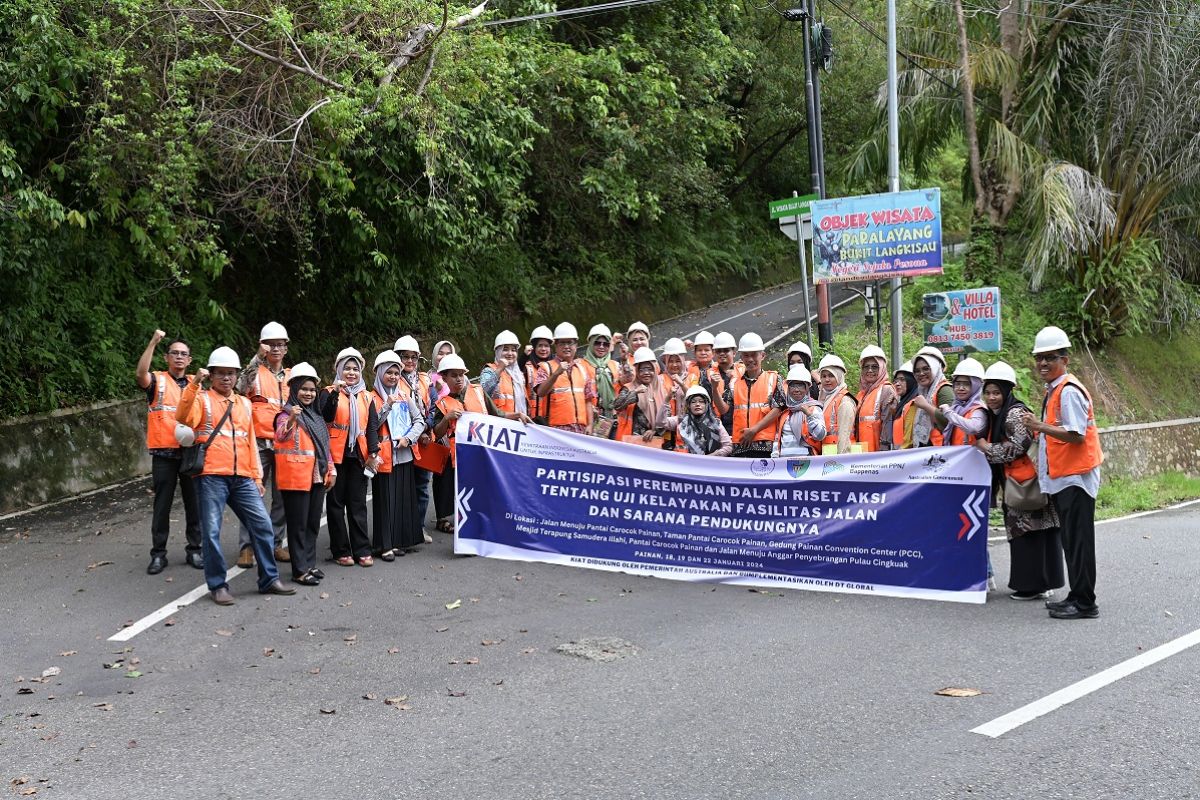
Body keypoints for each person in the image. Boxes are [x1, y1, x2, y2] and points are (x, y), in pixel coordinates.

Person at [175, 347, 296, 605]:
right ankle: (218, 585)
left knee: (262, 525)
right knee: (211, 531)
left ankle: (269, 579)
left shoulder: (243, 403)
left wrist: (256, 475)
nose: (227, 378)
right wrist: (194, 383)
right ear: (212, 376)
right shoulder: (202, 399)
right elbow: (183, 416)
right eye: (221, 374)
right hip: (211, 475)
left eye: (231, 374)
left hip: (242, 477)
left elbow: (250, 440)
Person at [1024, 326, 1103, 620]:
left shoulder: (1068, 391)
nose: (1043, 364)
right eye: (1039, 358)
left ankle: (1085, 603)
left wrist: (1038, 426)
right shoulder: (1056, 390)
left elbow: (1075, 434)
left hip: (1076, 479)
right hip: (1065, 477)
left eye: (1050, 358)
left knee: (1079, 542)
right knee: (1071, 541)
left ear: (1065, 360)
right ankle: (1076, 594)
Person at [973, 361, 1064, 601]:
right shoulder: (1000, 413)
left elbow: (1018, 446)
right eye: (988, 392)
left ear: (1007, 391)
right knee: (1035, 533)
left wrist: (987, 448)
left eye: (996, 392)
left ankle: (1030, 587)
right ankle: (1043, 583)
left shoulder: (1014, 413)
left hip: (1023, 483)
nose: (991, 397)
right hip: (1023, 481)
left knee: (1026, 534)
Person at [135, 329, 202, 574]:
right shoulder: (157, 380)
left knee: (194, 504)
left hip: (191, 452)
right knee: (162, 505)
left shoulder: (198, 382)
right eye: (174, 353)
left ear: (190, 360)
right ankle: (158, 554)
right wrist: (153, 341)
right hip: (164, 453)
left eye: (184, 354)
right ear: (167, 357)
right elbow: (141, 373)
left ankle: (195, 549)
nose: (179, 357)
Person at [234, 321, 291, 570]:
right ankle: (247, 546)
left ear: (286, 348)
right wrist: (257, 357)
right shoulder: (255, 371)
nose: (275, 349)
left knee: (282, 497)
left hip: (284, 443)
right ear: (262, 346)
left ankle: (276, 543)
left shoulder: (291, 376)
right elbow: (239, 388)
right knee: (251, 495)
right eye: (270, 344)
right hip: (257, 443)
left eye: (280, 344)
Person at [273, 362, 335, 586]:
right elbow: (279, 435)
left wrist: (331, 469)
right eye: (304, 389)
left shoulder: (316, 415)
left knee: (312, 524)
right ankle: (299, 570)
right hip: (295, 479)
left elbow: (324, 446)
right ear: (294, 389)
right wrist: (291, 420)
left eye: (312, 390)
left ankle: (309, 564)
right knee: (297, 526)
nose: (308, 393)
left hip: (316, 477)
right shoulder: (285, 414)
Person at [322, 347, 380, 567]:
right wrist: (336, 393)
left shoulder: (366, 396)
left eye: (355, 368)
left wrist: (373, 451)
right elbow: (325, 416)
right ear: (338, 370)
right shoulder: (328, 392)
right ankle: (340, 550)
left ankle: (362, 549)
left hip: (358, 456)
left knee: (357, 505)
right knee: (336, 505)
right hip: (335, 457)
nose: (351, 372)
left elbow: (372, 426)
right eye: (346, 368)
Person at [370, 350, 426, 560]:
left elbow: (419, 421)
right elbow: (372, 425)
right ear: (379, 373)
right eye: (389, 372)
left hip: (403, 454)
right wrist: (387, 405)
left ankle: (398, 540)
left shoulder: (405, 395)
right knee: (384, 501)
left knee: (401, 499)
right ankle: (384, 545)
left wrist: (409, 439)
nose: (393, 377)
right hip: (384, 457)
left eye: (396, 373)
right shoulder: (372, 397)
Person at [430, 353, 529, 465]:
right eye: (454, 376)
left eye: (461, 375)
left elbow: (497, 414)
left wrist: (518, 415)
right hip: (460, 460)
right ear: (444, 378)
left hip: (483, 452)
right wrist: (446, 418)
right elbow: (437, 433)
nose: (459, 379)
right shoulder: (442, 403)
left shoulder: (478, 391)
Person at [394, 335, 434, 542]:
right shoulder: (392, 378)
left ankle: (418, 528)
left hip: (424, 438)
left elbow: (434, 406)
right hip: (403, 440)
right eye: (404, 357)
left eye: (413, 357)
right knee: (402, 485)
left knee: (421, 485)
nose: (409, 361)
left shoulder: (426, 380)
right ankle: (402, 529)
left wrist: (427, 427)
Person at [722, 333, 785, 458]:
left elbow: (779, 408)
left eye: (754, 355)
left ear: (762, 356)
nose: (750, 359)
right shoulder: (734, 382)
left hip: (766, 446)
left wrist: (754, 430)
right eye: (746, 355)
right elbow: (724, 409)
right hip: (740, 445)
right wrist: (714, 388)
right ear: (741, 358)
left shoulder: (774, 378)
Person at [533, 323, 596, 434]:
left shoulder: (582, 369)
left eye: (570, 342)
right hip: (555, 430)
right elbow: (540, 392)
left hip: (580, 429)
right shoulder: (546, 367)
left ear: (576, 345)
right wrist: (556, 374)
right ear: (556, 346)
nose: (566, 346)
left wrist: (590, 425)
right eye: (562, 343)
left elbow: (588, 400)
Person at [427, 340, 457, 533]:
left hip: (457, 437)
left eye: (448, 352)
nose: (444, 356)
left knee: (456, 477)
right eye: (440, 352)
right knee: (440, 478)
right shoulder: (428, 378)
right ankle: (442, 517)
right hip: (436, 433)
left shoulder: (459, 377)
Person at [614, 347, 671, 442]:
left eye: (649, 369)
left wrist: (655, 430)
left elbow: (667, 415)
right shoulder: (629, 387)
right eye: (642, 370)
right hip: (632, 441)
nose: (646, 373)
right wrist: (635, 392)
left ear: (655, 369)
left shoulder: (662, 389)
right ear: (637, 371)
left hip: (655, 440)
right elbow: (617, 405)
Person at [661, 385, 733, 456]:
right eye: (693, 402)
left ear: (706, 405)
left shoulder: (716, 423)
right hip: (683, 464)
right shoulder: (680, 420)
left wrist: (713, 455)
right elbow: (661, 422)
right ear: (688, 405)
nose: (697, 404)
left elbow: (728, 446)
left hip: (709, 464)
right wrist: (667, 400)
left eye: (701, 401)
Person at [772, 365, 826, 457]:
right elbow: (778, 439)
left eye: (800, 386)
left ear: (807, 388)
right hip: (784, 466)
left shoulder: (813, 409)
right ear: (788, 388)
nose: (797, 390)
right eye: (793, 386)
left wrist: (809, 415)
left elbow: (820, 435)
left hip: (808, 465)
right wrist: (775, 457)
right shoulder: (785, 413)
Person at [908, 347, 954, 447]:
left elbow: (950, 421)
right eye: (917, 371)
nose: (921, 374)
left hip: (940, 452)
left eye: (926, 369)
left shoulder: (944, 390)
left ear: (936, 368)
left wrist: (926, 406)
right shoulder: (924, 391)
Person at [580, 324, 621, 433]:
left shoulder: (616, 365)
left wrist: (625, 360)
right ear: (591, 343)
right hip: (590, 419)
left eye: (606, 344)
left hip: (611, 419)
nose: (601, 347)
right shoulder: (580, 365)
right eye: (597, 343)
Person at [856, 345, 897, 452]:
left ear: (882, 368)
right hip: (861, 453)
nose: (869, 370)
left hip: (878, 455)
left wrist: (884, 452)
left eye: (874, 367)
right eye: (866, 367)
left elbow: (888, 423)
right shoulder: (861, 394)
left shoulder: (886, 390)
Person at [480, 331, 530, 417]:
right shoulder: (489, 370)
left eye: (513, 350)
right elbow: (482, 393)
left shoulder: (519, 376)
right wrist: (500, 369)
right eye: (505, 349)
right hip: (497, 425)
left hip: (517, 424)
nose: (510, 353)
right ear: (498, 351)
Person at [816, 354, 858, 454]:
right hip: (829, 455)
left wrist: (842, 460)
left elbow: (844, 434)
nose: (827, 380)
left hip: (840, 456)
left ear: (839, 377)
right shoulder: (825, 399)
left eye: (831, 376)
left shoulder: (845, 400)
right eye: (823, 376)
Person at [941, 358, 988, 445]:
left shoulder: (979, 409)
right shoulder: (956, 407)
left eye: (967, 384)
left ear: (976, 386)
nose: (961, 388)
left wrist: (948, 413)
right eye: (957, 384)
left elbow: (973, 428)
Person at [683, 331, 729, 417]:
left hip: (716, 416)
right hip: (693, 415)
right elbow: (669, 359)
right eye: (699, 350)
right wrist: (682, 345)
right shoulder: (688, 366)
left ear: (713, 352)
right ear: (694, 352)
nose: (703, 353)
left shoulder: (720, 368)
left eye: (707, 350)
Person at [521, 326, 554, 424]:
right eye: (540, 346)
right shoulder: (527, 367)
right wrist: (523, 357)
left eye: (546, 346)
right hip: (531, 420)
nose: (543, 349)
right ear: (534, 348)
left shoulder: (557, 367)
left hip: (552, 419)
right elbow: (516, 373)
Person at [712, 331, 741, 433]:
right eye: (719, 351)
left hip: (739, 425)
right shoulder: (707, 374)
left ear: (734, 352)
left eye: (726, 350)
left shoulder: (744, 372)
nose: (722, 353)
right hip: (716, 426)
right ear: (714, 353)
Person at [890, 361, 919, 449]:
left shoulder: (913, 405)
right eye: (896, 380)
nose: (897, 384)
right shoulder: (903, 404)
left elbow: (909, 440)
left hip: (905, 457)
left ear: (912, 381)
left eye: (902, 380)